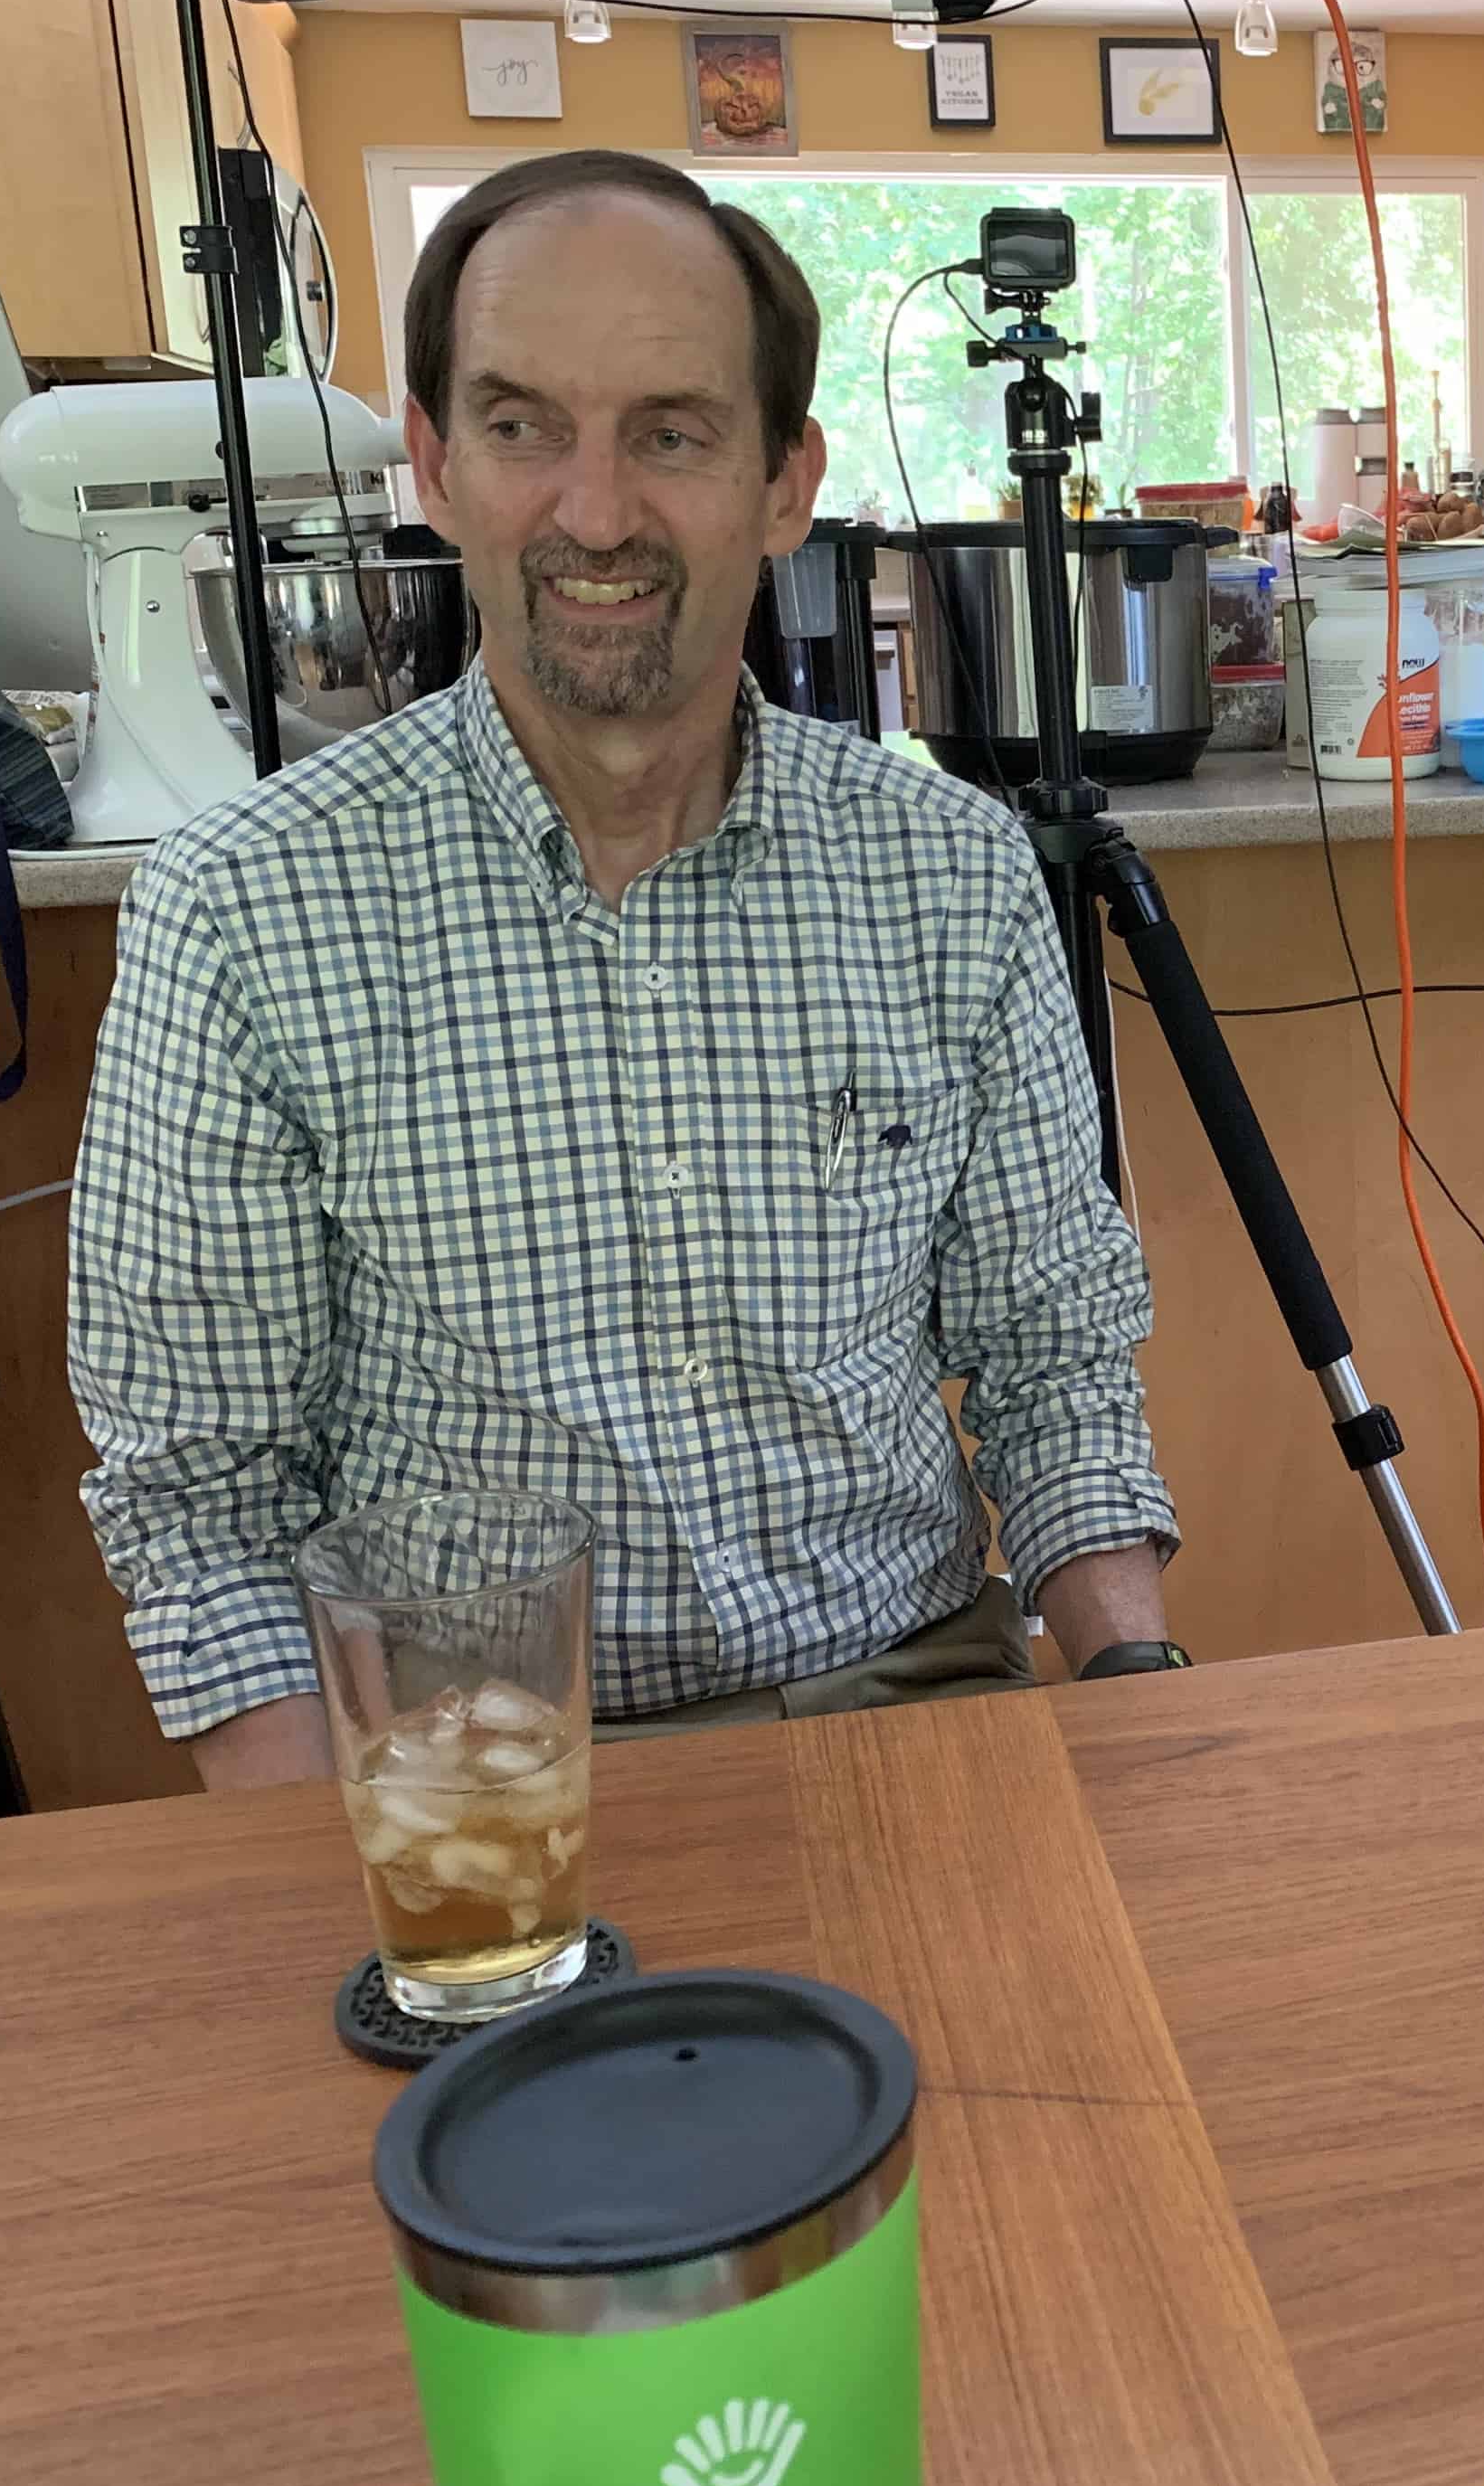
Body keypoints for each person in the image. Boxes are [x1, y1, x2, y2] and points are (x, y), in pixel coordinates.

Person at [71, 150, 1181, 1791]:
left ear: (785, 484)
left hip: (910, 1700)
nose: (596, 514)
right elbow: (200, 1492)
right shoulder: (241, 908)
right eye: (524, 429)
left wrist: (1144, 1703)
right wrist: (330, 1884)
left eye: (672, 433)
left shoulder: (949, 872)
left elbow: (1048, 1352)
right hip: (471, 1762)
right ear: (436, 466)